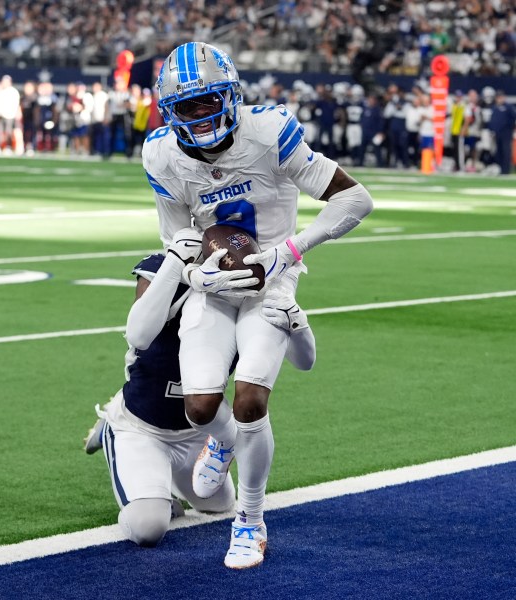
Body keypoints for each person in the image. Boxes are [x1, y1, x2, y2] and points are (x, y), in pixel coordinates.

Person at [142, 42, 373, 569]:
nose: (200, 115)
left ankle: (249, 520)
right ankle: (223, 444)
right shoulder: (159, 152)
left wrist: (285, 253)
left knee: (249, 400)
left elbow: (355, 199)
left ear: (232, 95)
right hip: (214, 284)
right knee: (200, 407)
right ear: (168, 111)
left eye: (209, 102)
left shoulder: (268, 131)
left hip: (274, 282)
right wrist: (194, 267)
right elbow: (176, 231)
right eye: (187, 106)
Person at [84, 228, 316, 548]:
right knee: (148, 527)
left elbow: (304, 361)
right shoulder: (168, 267)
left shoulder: (252, 285)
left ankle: (166, 476)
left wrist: (297, 321)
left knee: (218, 506)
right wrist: (177, 263)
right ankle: (114, 430)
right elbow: (138, 334)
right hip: (144, 425)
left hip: (198, 432)